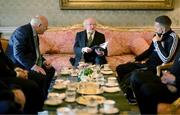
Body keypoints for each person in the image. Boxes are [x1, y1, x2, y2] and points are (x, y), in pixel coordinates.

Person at [116, 15, 179, 104]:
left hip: (156, 67)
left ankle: (126, 96)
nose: (154, 28)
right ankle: (127, 93)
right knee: (121, 68)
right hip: (147, 64)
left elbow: (166, 59)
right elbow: (149, 51)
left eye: (156, 26)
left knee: (130, 76)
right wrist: (136, 58)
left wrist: (157, 42)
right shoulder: (156, 35)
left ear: (163, 28)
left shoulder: (173, 38)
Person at [6, 15, 55, 96]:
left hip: (30, 61)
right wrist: (34, 66)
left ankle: (44, 94)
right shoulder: (22, 32)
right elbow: (18, 54)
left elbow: (35, 53)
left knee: (51, 70)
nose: (47, 29)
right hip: (19, 65)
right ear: (39, 26)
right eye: (46, 27)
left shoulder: (34, 33)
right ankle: (39, 96)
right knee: (40, 76)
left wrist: (44, 61)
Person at [0, 33, 44, 113]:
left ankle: (41, 108)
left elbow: (4, 58)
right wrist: (16, 74)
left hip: (8, 72)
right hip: (3, 76)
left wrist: (16, 68)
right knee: (31, 85)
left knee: (38, 76)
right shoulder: (23, 32)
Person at [130, 47, 180, 114]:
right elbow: (175, 65)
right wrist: (167, 73)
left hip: (176, 87)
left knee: (146, 88)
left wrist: (174, 81)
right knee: (136, 76)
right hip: (169, 80)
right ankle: (142, 112)